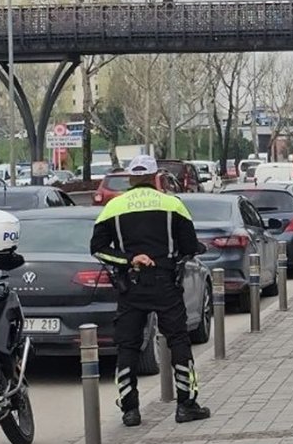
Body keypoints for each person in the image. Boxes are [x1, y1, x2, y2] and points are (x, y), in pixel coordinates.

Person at [90, 155, 210, 426]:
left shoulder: (113, 207)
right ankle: (185, 405)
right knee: (178, 339)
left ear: (131, 178)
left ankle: (130, 410)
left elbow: (97, 248)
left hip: (130, 285)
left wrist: (129, 259)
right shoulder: (173, 204)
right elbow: (190, 246)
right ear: (156, 177)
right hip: (165, 282)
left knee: (128, 345)